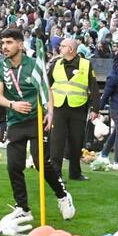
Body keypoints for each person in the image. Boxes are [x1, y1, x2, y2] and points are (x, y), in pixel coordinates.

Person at [0, 28, 75, 220]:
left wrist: (50, 112)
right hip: (14, 121)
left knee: (41, 163)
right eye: (3, 42)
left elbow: (46, 89)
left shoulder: (34, 65)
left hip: (37, 119)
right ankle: (23, 208)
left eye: (9, 42)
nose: (4, 46)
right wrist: (13, 104)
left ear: (20, 44)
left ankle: (63, 196)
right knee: (13, 166)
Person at [47, 38, 99, 182]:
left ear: (71, 49)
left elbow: (93, 87)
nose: (59, 48)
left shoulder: (86, 64)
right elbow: (47, 84)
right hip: (58, 107)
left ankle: (75, 172)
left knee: (77, 141)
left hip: (78, 108)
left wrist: (96, 108)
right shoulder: (55, 63)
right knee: (57, 142)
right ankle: (56, 174)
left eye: (62, 46)